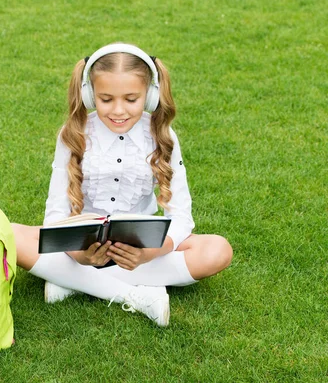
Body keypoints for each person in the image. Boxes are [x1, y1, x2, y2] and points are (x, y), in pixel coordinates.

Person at [12, 43, 233, 327]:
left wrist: (151, 252)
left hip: (140, 248)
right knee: (9, 236)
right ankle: (134, 295)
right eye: (106, 99)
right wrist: (79, 255)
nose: (118, 110)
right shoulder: (73, 134)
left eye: (131, 99)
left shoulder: (163, 135)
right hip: (84, 246)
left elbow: (180, 216)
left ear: (150, 96)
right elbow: (56, 215)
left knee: (218, 250)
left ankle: (72, 281)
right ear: (90, 95)